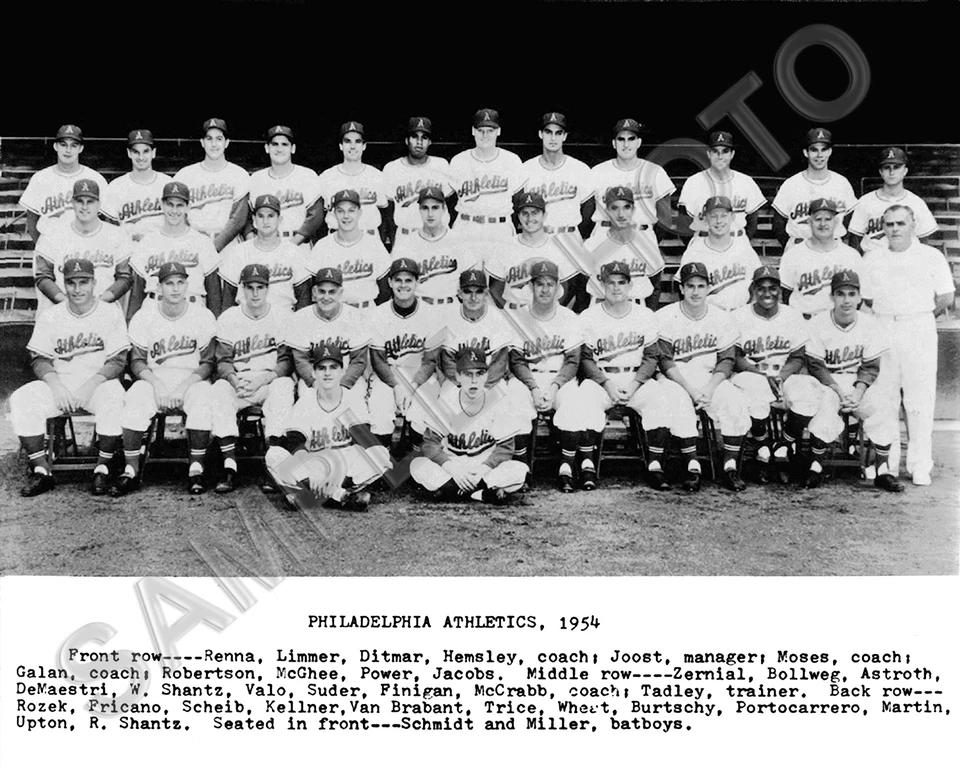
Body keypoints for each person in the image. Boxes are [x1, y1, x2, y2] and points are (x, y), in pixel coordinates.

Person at [575, 260, 700, 491]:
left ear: (630, 285)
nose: (616, 288)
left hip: (636, 379)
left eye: (622, 282)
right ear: (601, 285)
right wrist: (607, 384)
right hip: (604, 380)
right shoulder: (588, 316)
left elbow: (652, 357)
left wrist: (634, 384)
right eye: (610, 283)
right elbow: (585, 359)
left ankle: (655, 466)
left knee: (661, 400)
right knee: (584, 398)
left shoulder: (644, 315)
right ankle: (586, 466)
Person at [11, 258, 129, 497]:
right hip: (61, 381)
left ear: (94, 282)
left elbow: (117, 360)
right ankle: (42, 471)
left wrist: (89, 386)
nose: (77, 289)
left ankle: (103, 468)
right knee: (22, 398)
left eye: (83, 282)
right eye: (71, 283)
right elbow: (39, 358)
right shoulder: (52, 315)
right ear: (64, 284)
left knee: (115, 397)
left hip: (98, 382)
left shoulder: (110, 313)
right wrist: (55, 385)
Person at [861, 205, 955, 486]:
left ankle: (919, 465)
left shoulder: (931, 256)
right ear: (883, 227)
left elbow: (946, 298)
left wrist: (920, 316)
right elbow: (865, 299)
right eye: (889, 224)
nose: (895, 229)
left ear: (913, 224)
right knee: (885, 398)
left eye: (901, 223)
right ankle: (886, 463)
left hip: (919, 328)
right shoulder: (872, 258)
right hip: (884, 325)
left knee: (919, 400)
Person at [114, 262, 217, 496]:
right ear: (159, 287)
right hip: (155, 379)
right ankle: (130, 469)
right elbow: (137, 361)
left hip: (191, 379)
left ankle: (196, 469)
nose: (175, 289)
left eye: (180, 282)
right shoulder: (145, 316)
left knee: (203, 395)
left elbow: (208, 362)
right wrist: (156, 384)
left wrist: (185, 385)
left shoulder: (202, 315)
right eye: (169, 283)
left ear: (187, 286)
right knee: (136, 395)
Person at [803, 269, 904, 492]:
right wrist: (840, 392)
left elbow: (870, 367)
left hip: (859, 384)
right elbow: (816, 366)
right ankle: (815, 467)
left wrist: (857, 394)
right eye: (840, 294)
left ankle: (882, 470)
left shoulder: (870, 324)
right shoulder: (818, 323)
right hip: (829, 383)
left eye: (851, 294)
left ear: (859, 297)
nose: (846, 300)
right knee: (825, 404)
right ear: (832, 297)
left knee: (882, 403)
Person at [656, 262, 751, 491]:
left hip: (711, 377)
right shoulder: (665, 316)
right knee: (678, 402)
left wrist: (710, 387)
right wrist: (689, 388)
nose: (695, 291)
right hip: (675, 378)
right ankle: (692, 465)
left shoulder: (721, 317)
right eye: (690, 286)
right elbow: (665, 360)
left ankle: (729, 467)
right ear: (681, 288)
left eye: (701, 286)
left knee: (733, 400)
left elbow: (727, 359)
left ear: (709, 288)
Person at [265, 344, 390, 512]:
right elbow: (296, 444)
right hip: (314, 464)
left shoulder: (352, 399)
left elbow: (363, 442)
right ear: (314, 373)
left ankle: (310, 495)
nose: (327, 373)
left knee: (380, 454)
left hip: (344, 466)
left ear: (342, 371)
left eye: (333, 367)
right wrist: (313, 470)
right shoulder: (306, 401)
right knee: (274, 455)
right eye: (321, 368)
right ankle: (341, 497)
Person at [209, 263, 295, 493]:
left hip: (268, 380)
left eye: (260, 287)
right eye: (249, 287)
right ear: (242, 290)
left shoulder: (281, 316)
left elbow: (286, 361)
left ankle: (273, 465)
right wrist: (233, 379)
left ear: (268, 289)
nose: (255, 293)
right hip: (239, 381)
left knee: (284, 386)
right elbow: (223, 360)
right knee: (218, 389)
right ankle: (230, 466)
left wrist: (264, 379)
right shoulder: (229, 318)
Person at [731, 266, 820, 483]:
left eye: (772, 288)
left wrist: (781, 377)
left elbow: (798, 356)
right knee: (756, 389)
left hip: (783, 375)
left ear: (779, 290)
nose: (767, 293)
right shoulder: (738, 316)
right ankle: (763, 448)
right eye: (761, 288)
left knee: (807, 392)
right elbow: (736, 356)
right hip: (751, 374)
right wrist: (761, 377)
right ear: (753, 289)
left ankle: (782, 445)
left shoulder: (792, 315)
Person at [409, 346, 529, 504]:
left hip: (484, 467)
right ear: (458, 376)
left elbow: (506, 447)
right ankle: (482, 493)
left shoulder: (497, 401)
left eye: (479, 374)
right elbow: (430, 444)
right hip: (454, 466)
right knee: (417, 465)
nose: (474, 381)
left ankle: (452, 492)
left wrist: (483, 469)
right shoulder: (446, 401)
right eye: (467, 374)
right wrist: (452, 468)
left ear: (486, 375)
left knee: (519, 470)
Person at [508, 259, 583, 491]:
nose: (544, 289)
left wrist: (553, 387)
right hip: (528, 378)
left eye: (550, 284)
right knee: (514, 396)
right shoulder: (519, 316)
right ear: (531, 287)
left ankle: (566, 467)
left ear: (558, 287)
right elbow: (517, 360)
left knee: (573, 400)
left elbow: (572, 361)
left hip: (559, 379)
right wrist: (533, 387)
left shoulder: (569, 318)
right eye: (539, 284)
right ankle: (521, 467)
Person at [368, 258, 442, 446]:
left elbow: (430, 361)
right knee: (380, 408)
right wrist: (396, 386)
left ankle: (414, 466)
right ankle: (383, 465)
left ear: (417, 282)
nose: (403, 285)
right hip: (388, 376)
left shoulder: (431, 314)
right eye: (398, 280)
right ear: (390, 282)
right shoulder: (377, 314)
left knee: (422, 412)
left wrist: (411, 387)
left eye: (408, 280)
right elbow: (378, 360)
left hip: (420, 376)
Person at [33, 179, 133, 314]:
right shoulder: (53, 234)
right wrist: (66, 304)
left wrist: (99, 304)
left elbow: (125, 277)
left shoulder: (116, 234)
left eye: (90, 202)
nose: (84, 207)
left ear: (99, 204)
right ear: (72, 203)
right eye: (80, 201)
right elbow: (43, 276)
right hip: (63, 310)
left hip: (103, 310)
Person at [125, 181, 222, 320]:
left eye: (180, 205)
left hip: (193, 309)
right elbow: (136, 294)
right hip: (154, 309)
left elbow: (214, 294)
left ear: (188, 207)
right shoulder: (147, 242)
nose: (174, 211)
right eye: (170, 204)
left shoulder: (202, 242)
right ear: (162, 205)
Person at [19, 124, 114, 242]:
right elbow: (32, 220)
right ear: (55, 146)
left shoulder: (95, 178)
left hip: (85, 247)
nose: (68, 150)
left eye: (74, 145)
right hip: (50, 246)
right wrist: (42, 248)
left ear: (81, 148)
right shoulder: (40, 178)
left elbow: (106, 220)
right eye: (63, 145)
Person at [219, 194, 311, 314]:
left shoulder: (294, 252)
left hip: (284, 320)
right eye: (261, 216)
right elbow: (228, 299)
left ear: (280, 219)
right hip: (247, 321)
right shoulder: (239, 252)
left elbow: (303, 299)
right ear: (254, 219)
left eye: (271, 216)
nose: (265, 221)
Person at [487, 191, 580, 310]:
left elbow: (567, 288)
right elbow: (495, 288)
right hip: (516, 313)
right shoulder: (504, 246)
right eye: (525, 213)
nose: (530, 218)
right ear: (519, 216)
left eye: (535, 213)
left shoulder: (559, 246)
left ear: (544, 215)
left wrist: (551, 310)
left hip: (548, 314)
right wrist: (508, 312)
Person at [449, 108, 525, 255]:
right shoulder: (458, 161)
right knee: (467, 276)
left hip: (500, 228)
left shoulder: (512, 160)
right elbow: (449, 202)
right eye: (480, 130)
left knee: (501, 276)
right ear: (473, 131)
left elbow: (519, 201)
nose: (485, 135)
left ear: (499, 131)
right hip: (467, 227)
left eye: (490, 130)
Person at [284, 267, 370, 393]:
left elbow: (358, 361)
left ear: (340, 293)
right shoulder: (301, 318)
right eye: (322, 291)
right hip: (314, 379)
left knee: (355, 400)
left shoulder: (355, 317)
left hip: (347, 378)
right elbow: (301, 360)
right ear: (314, 292)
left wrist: (343, 385)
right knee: (307, 400)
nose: (326, 297)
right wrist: (315, 383)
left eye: (332, 292)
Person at [390, 186, 480, 306]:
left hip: (450, 306)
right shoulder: (406, 243)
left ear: (444, 209)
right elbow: (396, 284)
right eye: (425, 208)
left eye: (435, 207)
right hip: (420, 307)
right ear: (419, 210)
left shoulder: (460, 241)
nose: (430, 214)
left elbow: (472, 282)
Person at [772, 127, 858, 251]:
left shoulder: (841, 183)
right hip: (800, 246)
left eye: (824, 149)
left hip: (833, 248)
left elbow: (851, 220)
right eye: (814, 150)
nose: (819, 155)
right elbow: (778, 225)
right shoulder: (791, 184)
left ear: (830, 152)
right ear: (806, 153)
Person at [173, 118, 250, 255]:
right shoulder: (185, 175)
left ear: (226, 143)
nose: (214, 144)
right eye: (209, 139)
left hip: (229, 247)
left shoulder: (239, 174)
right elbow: (179, 214)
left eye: (219, 139)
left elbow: (238, 220)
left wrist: (214, 248)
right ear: (202, 142)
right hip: (193, 245)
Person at [587, 118, 674, 240]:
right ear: (614, 143)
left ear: (639, 142)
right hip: (605, 235)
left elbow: (665, 218)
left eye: (631, 139)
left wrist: (651, 239)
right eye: (621, 139)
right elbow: (586, 212)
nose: (626, 144)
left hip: (642, 235)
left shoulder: (655, 172)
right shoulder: (597, 171)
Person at [581, 186, 665, 311]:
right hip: (601, 309)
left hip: (637, 307)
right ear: (607, 211)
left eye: (626, 207)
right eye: (614, 208)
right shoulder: (593, 244)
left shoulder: (646, 244)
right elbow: (583, 283)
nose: (621, 214)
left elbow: (654, 283)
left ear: (633, 210)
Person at [307, 121, 390, 246]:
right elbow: (319, 217)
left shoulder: (377, 176)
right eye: (347, 141)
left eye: (357, 141)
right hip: (336, 239)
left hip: (370, 239)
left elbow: (385, 214)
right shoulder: (326, 177)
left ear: (364, 146)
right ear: (340, 145)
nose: (352, 146)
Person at [306, 189, 392, 310]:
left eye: (351, 211)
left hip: (367, 311)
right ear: (334, 213)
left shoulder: (374, 244)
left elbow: (385, 290)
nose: (346, 216)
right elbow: (313, 289)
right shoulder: (322, 246)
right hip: (334, 313)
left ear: (360, 213)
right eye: (341, 211)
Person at [779, 198, 862, 318]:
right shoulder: (793, 255)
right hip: (804, 321)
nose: (823, 224)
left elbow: (859, 296)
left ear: (837, 222)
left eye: (828, 219)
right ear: (809, 221)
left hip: (838, 322)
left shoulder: (851, 255)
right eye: (818, 219)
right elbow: (786, 294)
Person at [677, 195, 762, 312]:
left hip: (742, 314)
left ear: (732, 217)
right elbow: (685, 292)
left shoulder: (744, 248)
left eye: (724, 215)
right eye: (713, 216)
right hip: (711, 317)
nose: (719, 221)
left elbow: (759, 283)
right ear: (706, 219)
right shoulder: (694, 252)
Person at [678, 131, 766, 240]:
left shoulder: (746, 182)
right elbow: (683, 224)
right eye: (715, 151)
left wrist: (741, 244)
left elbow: (752, 223)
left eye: (725, 151)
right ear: (708, 154)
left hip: (736, 242)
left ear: (732, 154)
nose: (720, 156)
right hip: (703, 242)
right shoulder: (693, 182)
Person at [848, 147, 938, 253]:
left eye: (896, 167)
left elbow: (924, 243)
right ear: (881, 171)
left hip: (907, 262)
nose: (891, 172)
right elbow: (854, 241)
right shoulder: (866, 201)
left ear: (905, 171)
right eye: (887, 167)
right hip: (874, 262)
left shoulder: (916, 203)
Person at [382, 117, 455, 243]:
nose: (419, 142)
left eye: (424, 138)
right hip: (406, 236)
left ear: (430, 142)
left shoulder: (442, 165)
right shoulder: (392, 168)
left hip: (438, 236)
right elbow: (388, 212)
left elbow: (452, 204)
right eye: (415, 137)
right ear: (407, 140)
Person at [520, 112, 593, 238]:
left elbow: (588, 211)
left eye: (558, 133)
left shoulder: (579, 169)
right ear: (540, 134)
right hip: (538, 236)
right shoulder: (526, 168)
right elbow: (518, 209)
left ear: (564, 136)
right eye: (548, 132)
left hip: (569, 236)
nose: (553, 138)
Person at [247, 125, 319, 251]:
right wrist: (253, 243)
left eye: (284, 144)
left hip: (299, 244)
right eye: (275, 144)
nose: (279, 149)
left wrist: (292, 244)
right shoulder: (255, 179)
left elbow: (315, 216)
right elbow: (246, 217)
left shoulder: (307, 176)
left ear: (293, 148)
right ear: (267, 148)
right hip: (264, 245)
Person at [107, 129, 173, 243]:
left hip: (162, 250)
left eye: (146, 151)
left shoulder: (167, 183)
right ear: (129, 153)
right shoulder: (116, 186)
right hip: (129, 251)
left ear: (154, 153)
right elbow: (109, 228)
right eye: (136, 152)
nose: (141, 157)